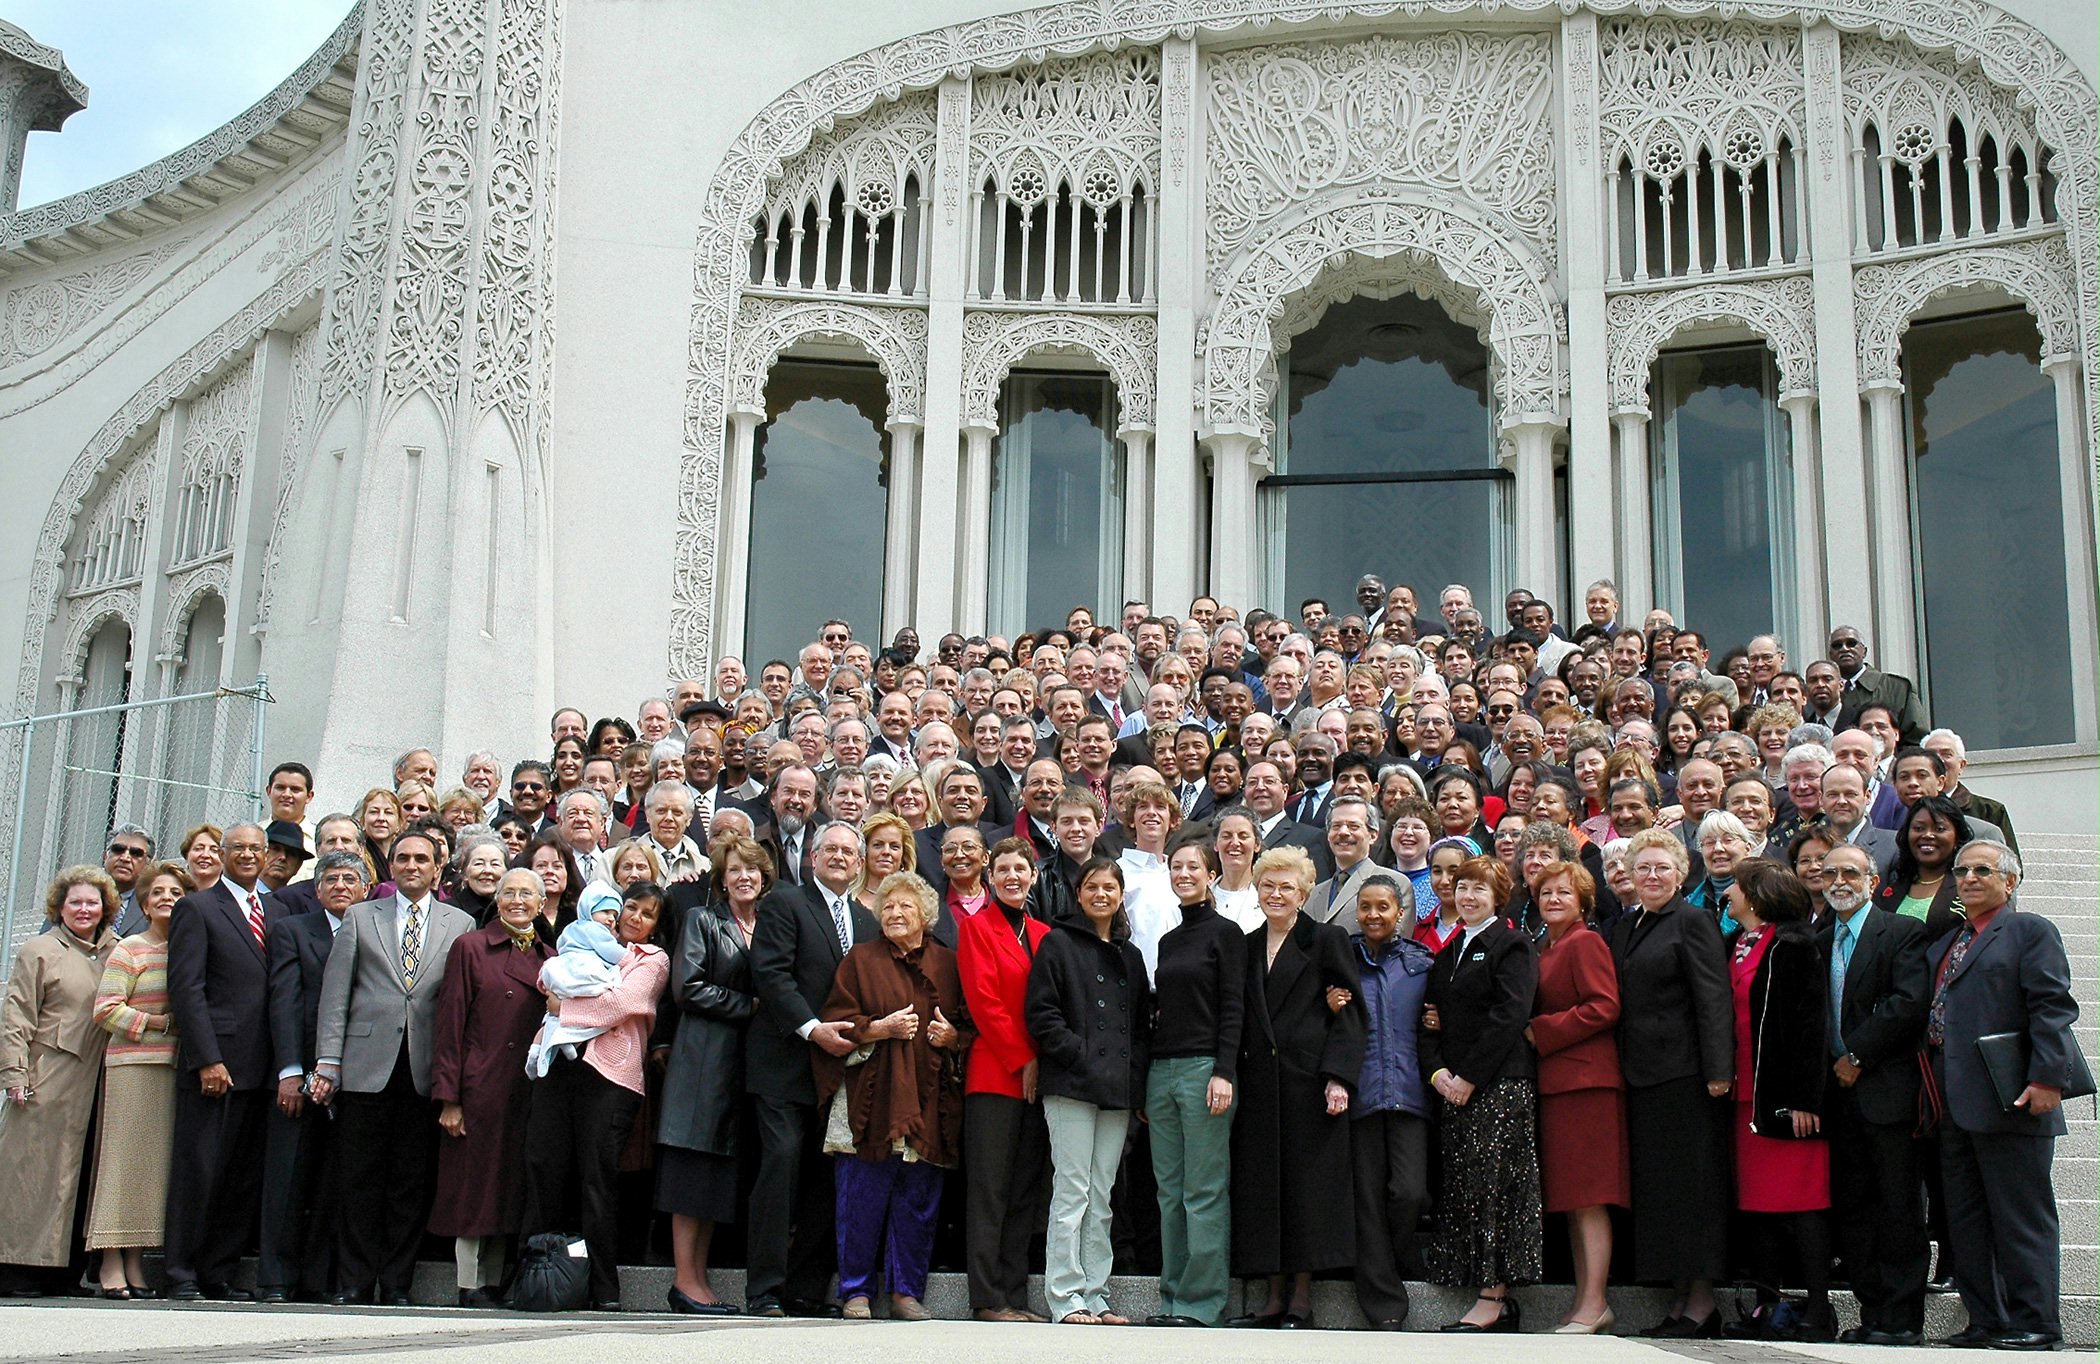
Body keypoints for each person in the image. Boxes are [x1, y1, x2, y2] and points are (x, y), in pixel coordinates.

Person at [311, 828, 474, 1305]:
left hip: (424, 1070)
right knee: (358, 1179)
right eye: (402, 858)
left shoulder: (459, 923)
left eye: (421, 859)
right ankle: (356, 1281)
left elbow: (459, 1006)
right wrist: (328, 1062)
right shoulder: (360, 917)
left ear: (437, 868)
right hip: (365, 1066)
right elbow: (335, 996)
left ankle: (398, 1283)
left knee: (410, 1183)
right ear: (391, 866)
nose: (411, 866)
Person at [1928, 840, 2078, 1350]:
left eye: (1983, 870)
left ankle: (2036, 1322)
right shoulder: (1953, 939)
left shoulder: (2029, 930)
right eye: (1962, 870)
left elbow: (2052, 1007)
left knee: (2020, 1218)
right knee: (1966, 1220)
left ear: (2010, 881)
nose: (1969, 878)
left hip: (2013, 1096)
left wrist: (2047, 1080)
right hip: (1953, 1100)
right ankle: (1986, 1319)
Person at [813, 872, 974, 1322]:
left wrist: (950, 1038)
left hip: (928, 1097)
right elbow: (836, 1020)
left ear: (925, 914)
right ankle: (856, 1292)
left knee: (919, 1201)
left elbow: (967, 1025)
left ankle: (906, 1292)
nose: (895, 913)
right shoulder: (859, 960)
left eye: (905, 906)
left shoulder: (948, 962)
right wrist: (879, 1029)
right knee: (860, 1198)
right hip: (870, 1096)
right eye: (887, 907)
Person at [1229, 845, 1367, 1329]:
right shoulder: (1245, 944)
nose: (1276, 894)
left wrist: (1339, 1077)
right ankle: (1270, 1296)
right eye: (1268, 885)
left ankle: (1302, 1298)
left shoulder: (1327, 939)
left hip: (1310, 1083)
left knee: (1308, 1189)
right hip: (1259, 1085)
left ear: (1305, 893)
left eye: (1287, 886)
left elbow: (1350, 1014)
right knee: (1264, 1187)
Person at [745, 820, 877, 1318]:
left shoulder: (866, 920)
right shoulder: (785, 902)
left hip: (840, 1071)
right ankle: (765, 1289)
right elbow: (772, 973)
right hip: (785, 1063)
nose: (840, 856)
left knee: (827, 1180)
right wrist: (811, 1027)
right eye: (831, 848)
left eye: (849, 850)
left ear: (860, 862)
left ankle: (804, 1287)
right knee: (780, 1166)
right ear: (813, 856)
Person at [518, 880, 669, 1310]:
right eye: (630, 908)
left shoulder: (651, 960)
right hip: (560, 1068)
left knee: (596, 1179)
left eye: (647, 914)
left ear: (657, 926)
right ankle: (535, 1279)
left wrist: (565, 1009)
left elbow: (623, 1003)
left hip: (611, 1076)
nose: (634, 918)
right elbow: (551, 982)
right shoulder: (586, 942)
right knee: (544, 1167)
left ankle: (604, 1289)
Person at [1608, 826, 1733, 1337]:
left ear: (1681, 874)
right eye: (1643, 868)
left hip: (1687, 1076)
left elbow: (1713, 998)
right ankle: (1680, 1299)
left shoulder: (1695, 921)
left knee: (1694, 1190)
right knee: (1662, 1192)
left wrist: (1718, 1071)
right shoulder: (1624, 926)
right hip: (1640, 1076)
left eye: (1662, 868)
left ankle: (1703, 1302)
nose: (1652, 876)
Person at [1418, 855, 1541, 1332]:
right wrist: (1439, 1075)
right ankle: (1477, 1284)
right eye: (1461, 886)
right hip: (1455, 1089)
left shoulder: (1511, 944)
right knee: (1467, 1188)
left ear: (1497, 897)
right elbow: (1428, 1022)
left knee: (1497, 1188)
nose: (1466, 896)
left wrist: (1469, 1076)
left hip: (1500, 1085)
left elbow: (1509, 1016)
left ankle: (1496, 1296)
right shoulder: (1448, 952)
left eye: (1478, 889)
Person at [1815, 841, 1930, 1345]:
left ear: (1872, 878)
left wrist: (1857, 1056)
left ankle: (1902, 1318)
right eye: (1829, 873)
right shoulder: (1818, 939)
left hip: (1885, 1092)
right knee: (1854, 1206)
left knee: (1898, 1206)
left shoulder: (1901, 932)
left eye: (1849, 872)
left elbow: (1907, 1004)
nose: (1838, 880)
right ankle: (1871, 1311)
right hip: (1836, 1101)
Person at [1025, 856, 1149, 1325]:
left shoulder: (1131, 955)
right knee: (1072, 1190)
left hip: (1116, 1089)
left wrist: (1131, 1080)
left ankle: (1096, 1293)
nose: (1101, 894)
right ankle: (1064, 1295)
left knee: (1102, 1193)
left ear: (1120, 896)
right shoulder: (1058, 944)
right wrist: (1080, 1054)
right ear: (1079, 894)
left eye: (1110, 888)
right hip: (1072, 1084)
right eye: (1092, 886)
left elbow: (1140, 1027)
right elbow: (1042, 1015)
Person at [428, 868, 555, 1307]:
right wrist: (449, 1097)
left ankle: (496, 1279)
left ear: (542, 904)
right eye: (509, 893)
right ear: (496, 900)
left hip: (524, 1089)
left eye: (528, 894)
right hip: (479, 1084)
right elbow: (450, 1023)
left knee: (508, 1185)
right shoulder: (471, 947)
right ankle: (469, 1282)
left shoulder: (550, 957)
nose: (518, 901)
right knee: (474, 1186)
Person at [163, 821, 279, 1301]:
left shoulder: (274, 910)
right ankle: (181, 1272)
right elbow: (187, 989)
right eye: (239, 848)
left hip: (262, 1066)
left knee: (240, 1177)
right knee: (200, 1171)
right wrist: (206, 1058)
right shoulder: (197, 907)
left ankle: (219, 1271)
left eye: (256, 848)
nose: (248, 855)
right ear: (223, 853)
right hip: (217, 1066)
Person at [1724, 859, 1835, 1340]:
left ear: (1757, 894)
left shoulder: (1793, 945)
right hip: (1745, 1095)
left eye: (1736, 886)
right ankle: (1766, 1305)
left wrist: (1806, 1100)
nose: (1728, 892)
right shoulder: (1738, 943)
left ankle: (1816, 1307)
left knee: (1802, 1203)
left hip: (1785, 1096)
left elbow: (1811, 1028)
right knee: (1758, 1205)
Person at [658, 835, 769, 1316]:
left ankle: (699, 1278)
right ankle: (685, 1281)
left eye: (752, 869)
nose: (744, 876)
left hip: (741, 1067)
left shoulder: (766, 925)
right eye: (735, 869)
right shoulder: (704, 920)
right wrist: (751, 1006)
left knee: (716, 1180)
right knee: (692, 1175)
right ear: (721, 879)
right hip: (702, 1063)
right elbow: (689, 988)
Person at [0, 866, 119, 1293]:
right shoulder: (40, 950)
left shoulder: (114, 951)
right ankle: (16, 1268)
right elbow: (17, 1015)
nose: (84, 910)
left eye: (92, 902)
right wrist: (14, 1072)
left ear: (105, 907)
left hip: (97, 1080)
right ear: (60, 907)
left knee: (79, 1173)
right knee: (31, 1171)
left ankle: (64, 1272)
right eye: (76, 903)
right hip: (46, 1075)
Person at [1145, 836, 1246, 1328]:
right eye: (1176, 866)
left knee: (1202, 1189)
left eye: (1193, 866)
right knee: (1169, 1189)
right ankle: (1172, 1296)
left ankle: (1202, 1302)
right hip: (1161, 1072)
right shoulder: (1167, 940)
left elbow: (1234, 1007)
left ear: (1211, 874)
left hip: (1206, 1069)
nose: (1183, 874)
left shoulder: (1227, 934)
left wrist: (1225, 1071)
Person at [260, 850, 366, 1304]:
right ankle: (276, 1279)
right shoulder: (292, 931)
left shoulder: (374, 933)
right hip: (301, 1072)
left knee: (333, 1183)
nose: (341, 886)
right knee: (287, 1178)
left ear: (365, 889)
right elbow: (284, 1002)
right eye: (331, 879)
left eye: (350, 879)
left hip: (358, 1075)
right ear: (317, 888)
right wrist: (290, 1071)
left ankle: (319, 1279)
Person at [956, 835, 1052, 1323]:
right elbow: (984, 1003)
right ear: (990, 879)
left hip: (1039, 1080)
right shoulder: (976, 929)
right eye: (1004, 871)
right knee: (990, 1191)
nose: (1013, 877)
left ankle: (1015, 1295)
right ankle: (987, 1298)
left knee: (1024, 1192)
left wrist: (1044, 1061)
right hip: (996, 1074)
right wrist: (1023, 1059)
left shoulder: (1043, 933)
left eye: (1022, 869)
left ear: (1033, 876)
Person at [1528, 859, 1626, 1335]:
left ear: (1583, 900)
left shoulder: (1585, 942)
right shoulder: (1547, 945)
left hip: (1586, 1084)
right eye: (1546, 892)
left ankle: (1595, 1302)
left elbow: (1604, 1006)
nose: (1553, 900)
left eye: (1563, 893)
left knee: (1589, 1197)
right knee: (1571, 1198)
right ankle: (1583, 1301)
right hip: (1559, 1083)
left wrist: (1541, 1030)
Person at [85, 860, 189, 1297]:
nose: (166, 899)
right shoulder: (129, 948)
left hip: (171, 1071)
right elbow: (105, 1009)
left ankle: (135, 1260)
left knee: (153, 1171)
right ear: (144, 904)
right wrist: (157, 1023)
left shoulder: (186, 949)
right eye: (158, 893)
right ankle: (109, 1257)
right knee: (121, 1166)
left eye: (176, 894)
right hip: (132, 1067)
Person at [1347, 870, 1436, 1330]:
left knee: (1408, 1192)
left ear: (1401, 913)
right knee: (1366, 1198)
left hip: (1410, 1093)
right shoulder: (1344, 962)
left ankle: (1398, 1258)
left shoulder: (1422, 964)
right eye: (1366, 907)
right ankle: (1384, 1305)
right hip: (1360, 1095)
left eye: (1384, 907)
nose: (1374, 915)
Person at [1873, 794, 1968, 939]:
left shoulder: (1966, 887)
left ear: (1957, 837)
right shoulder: (1893, 886)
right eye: (1919, 828)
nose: (1928, 835)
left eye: (1940, 829)